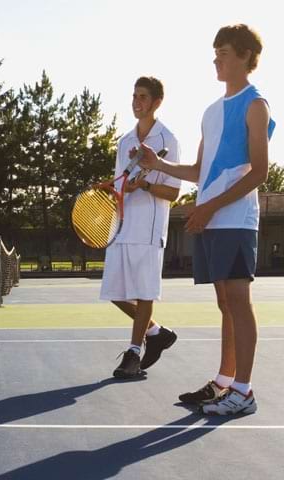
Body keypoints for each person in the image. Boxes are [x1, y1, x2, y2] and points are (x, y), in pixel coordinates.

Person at [138, 24, 275, 415]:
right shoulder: (211, 111)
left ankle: (244, 392)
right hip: (212, 219)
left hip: (235, 219)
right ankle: (224, 381)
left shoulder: (256, 104)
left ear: (247, 56)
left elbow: (260, 171)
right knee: (224, 304)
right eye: (216, 51)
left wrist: (210, 207)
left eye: (225, 52)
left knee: (238, 301)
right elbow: (201, 169)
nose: (217, 58)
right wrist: (158, 163)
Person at [100, 76, 181, 379]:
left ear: (157, 102)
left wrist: (145, 185)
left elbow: (173, 193)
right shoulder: (124, 142)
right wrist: (115, 190)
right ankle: (157, 333)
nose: (137, 102)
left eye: (143, 97)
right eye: (134, 96)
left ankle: (133, 354)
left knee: (144, 293)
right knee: (115, 292)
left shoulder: (168, 141)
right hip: (122, 226)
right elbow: (121, 184)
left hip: (148, 230)